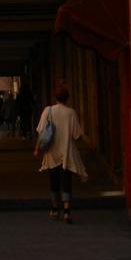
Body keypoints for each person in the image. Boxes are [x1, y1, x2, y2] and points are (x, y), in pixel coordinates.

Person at [34, 84, 87, 224]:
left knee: (54, 181)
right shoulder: (71, 113)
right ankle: (67, 211)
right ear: (67, 98)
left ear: (55, 97)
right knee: (66, 181)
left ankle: (54, 208)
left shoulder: (48, 110)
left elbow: (41, 131)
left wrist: (37, 148)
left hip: (51, 152)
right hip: (66, 152)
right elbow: (77, 135)